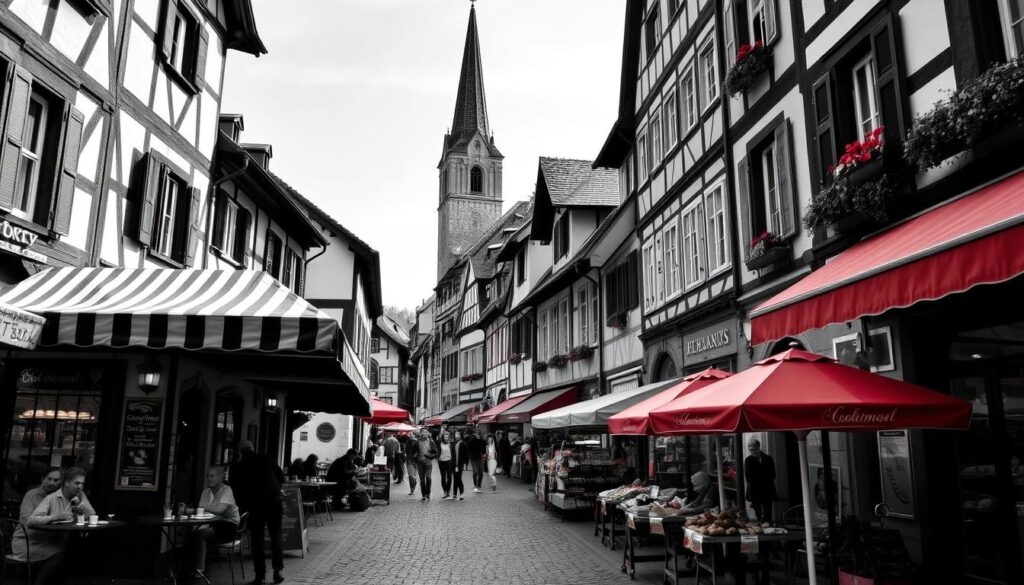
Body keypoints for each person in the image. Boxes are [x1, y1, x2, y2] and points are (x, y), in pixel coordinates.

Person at [24, 467, 96, 585]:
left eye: (82, 484)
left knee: (84, 547)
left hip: (69, 537)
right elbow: (31, 520)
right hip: (50, 539)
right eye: (77, 483)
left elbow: (92, 514)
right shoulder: (52, 498)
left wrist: (82, 509)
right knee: (63, 554)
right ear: (66, 482)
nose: (80, 487)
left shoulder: (80, 495)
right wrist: (55, 517)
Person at [230, 440, 285, 584]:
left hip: (255, 504)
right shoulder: (266, 458)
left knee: (257, 539)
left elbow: (236, 489)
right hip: (274, 500)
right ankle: (278, 570)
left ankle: (260, 576)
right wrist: (275, 489)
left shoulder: (239, 465)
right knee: (276, 535)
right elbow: (281, 477)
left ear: (240, 452)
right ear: (252, 448)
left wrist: (242, 507)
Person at [11, 467, 63, 585]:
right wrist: (52, 518)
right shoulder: (32, 495)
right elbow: (25, 519)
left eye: (56, 480)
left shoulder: (59, 497)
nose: (52, 482)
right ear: (42, 479)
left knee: (64, 549)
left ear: (60, 482)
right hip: (25, 539)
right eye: (49, 479)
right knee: (58, 555)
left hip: (46, 539)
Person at [191, 465, 240, 576]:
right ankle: (189, 568)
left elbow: (219, 510)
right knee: (192, 534)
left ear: (220, 477)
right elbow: (201, 511)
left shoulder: (226, 490)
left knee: (200, 535)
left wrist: (203, 508)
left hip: (229, 526)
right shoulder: (206, 492)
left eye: (212, 476)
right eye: (207, 476)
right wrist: (201, 510)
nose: (208, 478)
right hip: (212, 524)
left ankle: (199, 570)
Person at [744, 438, 777, 523]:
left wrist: (765, 480)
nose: (750, 449)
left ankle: (768, 523)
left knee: (768, 510)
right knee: (757, 512)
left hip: (767, 488)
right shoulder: (748, 460)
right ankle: (760, 523)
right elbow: (748, 476)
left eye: (752, 447)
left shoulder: (768, 458)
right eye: (749, 448)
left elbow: (773, 474)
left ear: (758, 447)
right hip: (754, 489)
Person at [408, 429, 438, 501]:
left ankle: (428, 494)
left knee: (428, 478)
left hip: (428, 463)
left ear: (427, 434)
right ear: (420, 434)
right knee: (422, 480)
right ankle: (423, 495)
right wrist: (414, 457)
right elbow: (413, 452)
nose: (424, 434)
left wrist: (430, 456)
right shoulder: (417, 442)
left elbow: (435, 452)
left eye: (426, 432)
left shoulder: (431, 441)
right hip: (420, 463)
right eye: (423, 432)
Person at [452, 431, 469, 500]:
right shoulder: (453, 443)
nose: (457, 435)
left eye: (458, 434)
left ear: (460, 435)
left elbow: (466, 455)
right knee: (455, 478)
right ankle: (454, 494)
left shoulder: (463, 444)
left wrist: (465, 464)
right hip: (453, 464)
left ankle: (461, 494)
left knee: (458, 478)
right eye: (456, 434)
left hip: (460, 464)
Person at [437, 431, 454, 499]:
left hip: (449, 461)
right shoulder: (439, 443)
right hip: (441, 461)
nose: (447, 436)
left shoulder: (451, 443)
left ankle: (448, 491)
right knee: (443, 477)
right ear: (443, 436)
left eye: (448, 435)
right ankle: (445, 491)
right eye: (445, 435)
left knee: (449, 477)